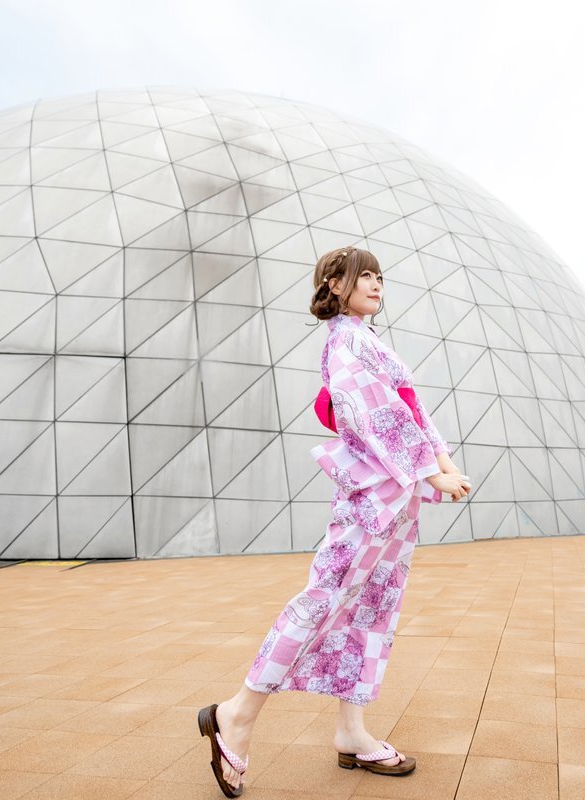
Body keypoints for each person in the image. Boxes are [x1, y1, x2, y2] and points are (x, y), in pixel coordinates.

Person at [197, 245, 472, 797]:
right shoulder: (344, 342)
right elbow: (374, 414)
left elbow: (411, 408)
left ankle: (351, 730)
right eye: (363, 275)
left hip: (393, 493)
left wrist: (442, 462)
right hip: (372, 496)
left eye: (378, 275)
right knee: (324, 599)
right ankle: (237, 713)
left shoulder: (364, 340)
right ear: (335, 285)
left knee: (373, 608)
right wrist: (429, 470)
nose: (375, 283)